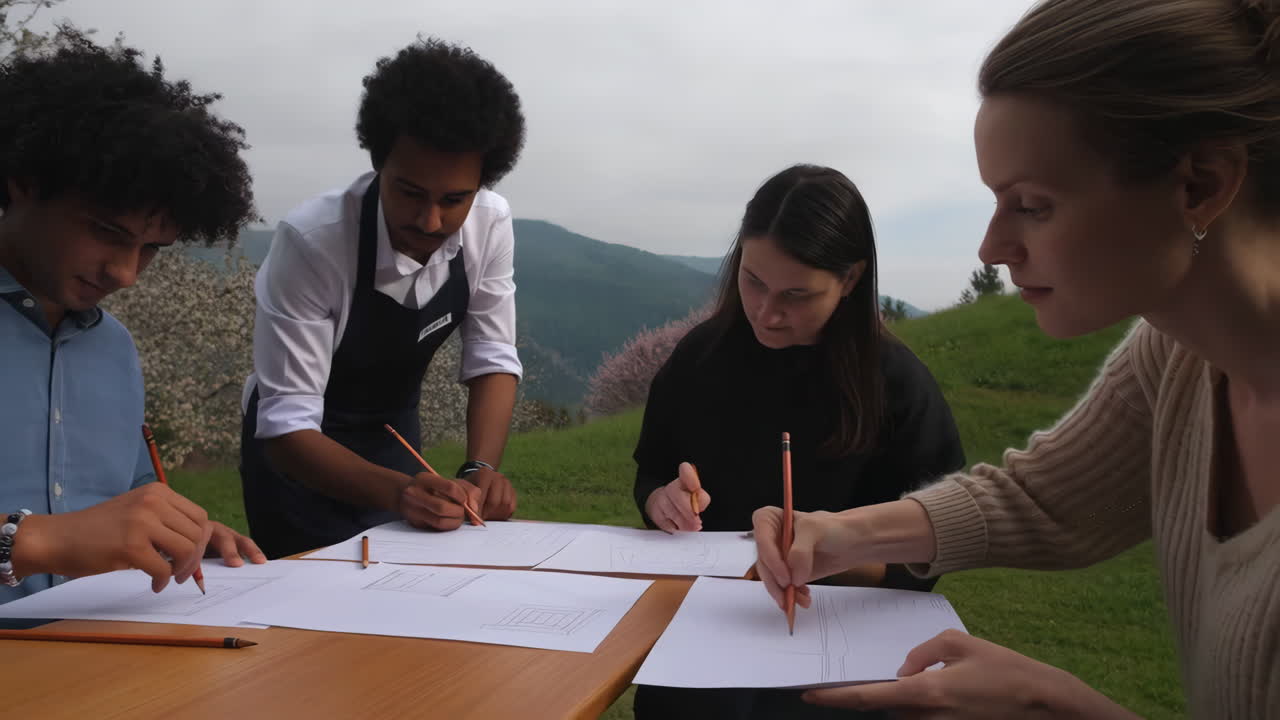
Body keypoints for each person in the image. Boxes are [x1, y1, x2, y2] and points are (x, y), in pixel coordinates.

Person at [753, 1, 1280, 717]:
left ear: (1202, 185)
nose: (991, 247)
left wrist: (1055, 705)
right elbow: (1044, 499)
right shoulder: (1178, 356)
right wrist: (839, 534)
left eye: (1031, 205)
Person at [633, 165, 965, 719]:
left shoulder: (896, 386)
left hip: (837, 664)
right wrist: (661, 502)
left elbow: (927, 557)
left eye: (796, 294)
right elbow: (652, 470)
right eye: (753, 281)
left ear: (851, 279)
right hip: (703, 650)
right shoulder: (700, 358)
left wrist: (831, 554)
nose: (767, 313)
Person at [0, 29, 265, 604]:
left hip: (102, 666)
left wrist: (179, 529)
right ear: (21, 183)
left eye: (151, 248)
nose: (125, 273)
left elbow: (125, 489)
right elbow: (61, 536)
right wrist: (33, 539)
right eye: (106, 232)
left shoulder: (113, 348)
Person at [240, 38, 527, 559]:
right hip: (299, 455)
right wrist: (399, 491)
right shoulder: (314, 242)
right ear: (378, 163)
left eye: (454, 199)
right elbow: (286, 422)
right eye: (410, 193)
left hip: (395, 435)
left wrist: (480, 468)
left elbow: (493, 357)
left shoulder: (492, 224)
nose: (431, 221)